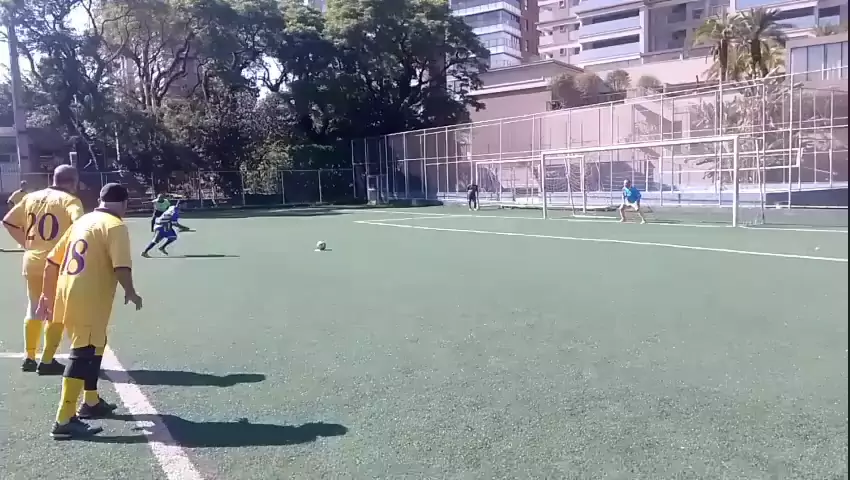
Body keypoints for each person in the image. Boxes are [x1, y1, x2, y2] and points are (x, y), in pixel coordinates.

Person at [37, 183, 143, 439]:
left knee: (96, 344)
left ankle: (91, 402)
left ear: (99, 200)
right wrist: (131, 291)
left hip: (68, 290)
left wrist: (46, 295)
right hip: (88, 295)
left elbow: (52, 260)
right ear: (125, 204)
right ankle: (64, 419)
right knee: (83, 351)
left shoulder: (83, 221)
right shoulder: (115, 226)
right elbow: (121, 266)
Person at [2, 166, 84, 375]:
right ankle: (47, 360)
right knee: (56, 310)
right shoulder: (71, 201)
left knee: (34, 306)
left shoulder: (31, 197)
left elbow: (8, 221)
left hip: (31, 260)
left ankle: (29, 357)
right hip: (57, 263)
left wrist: (27, 244)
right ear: (73, 181)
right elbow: (81, 227)